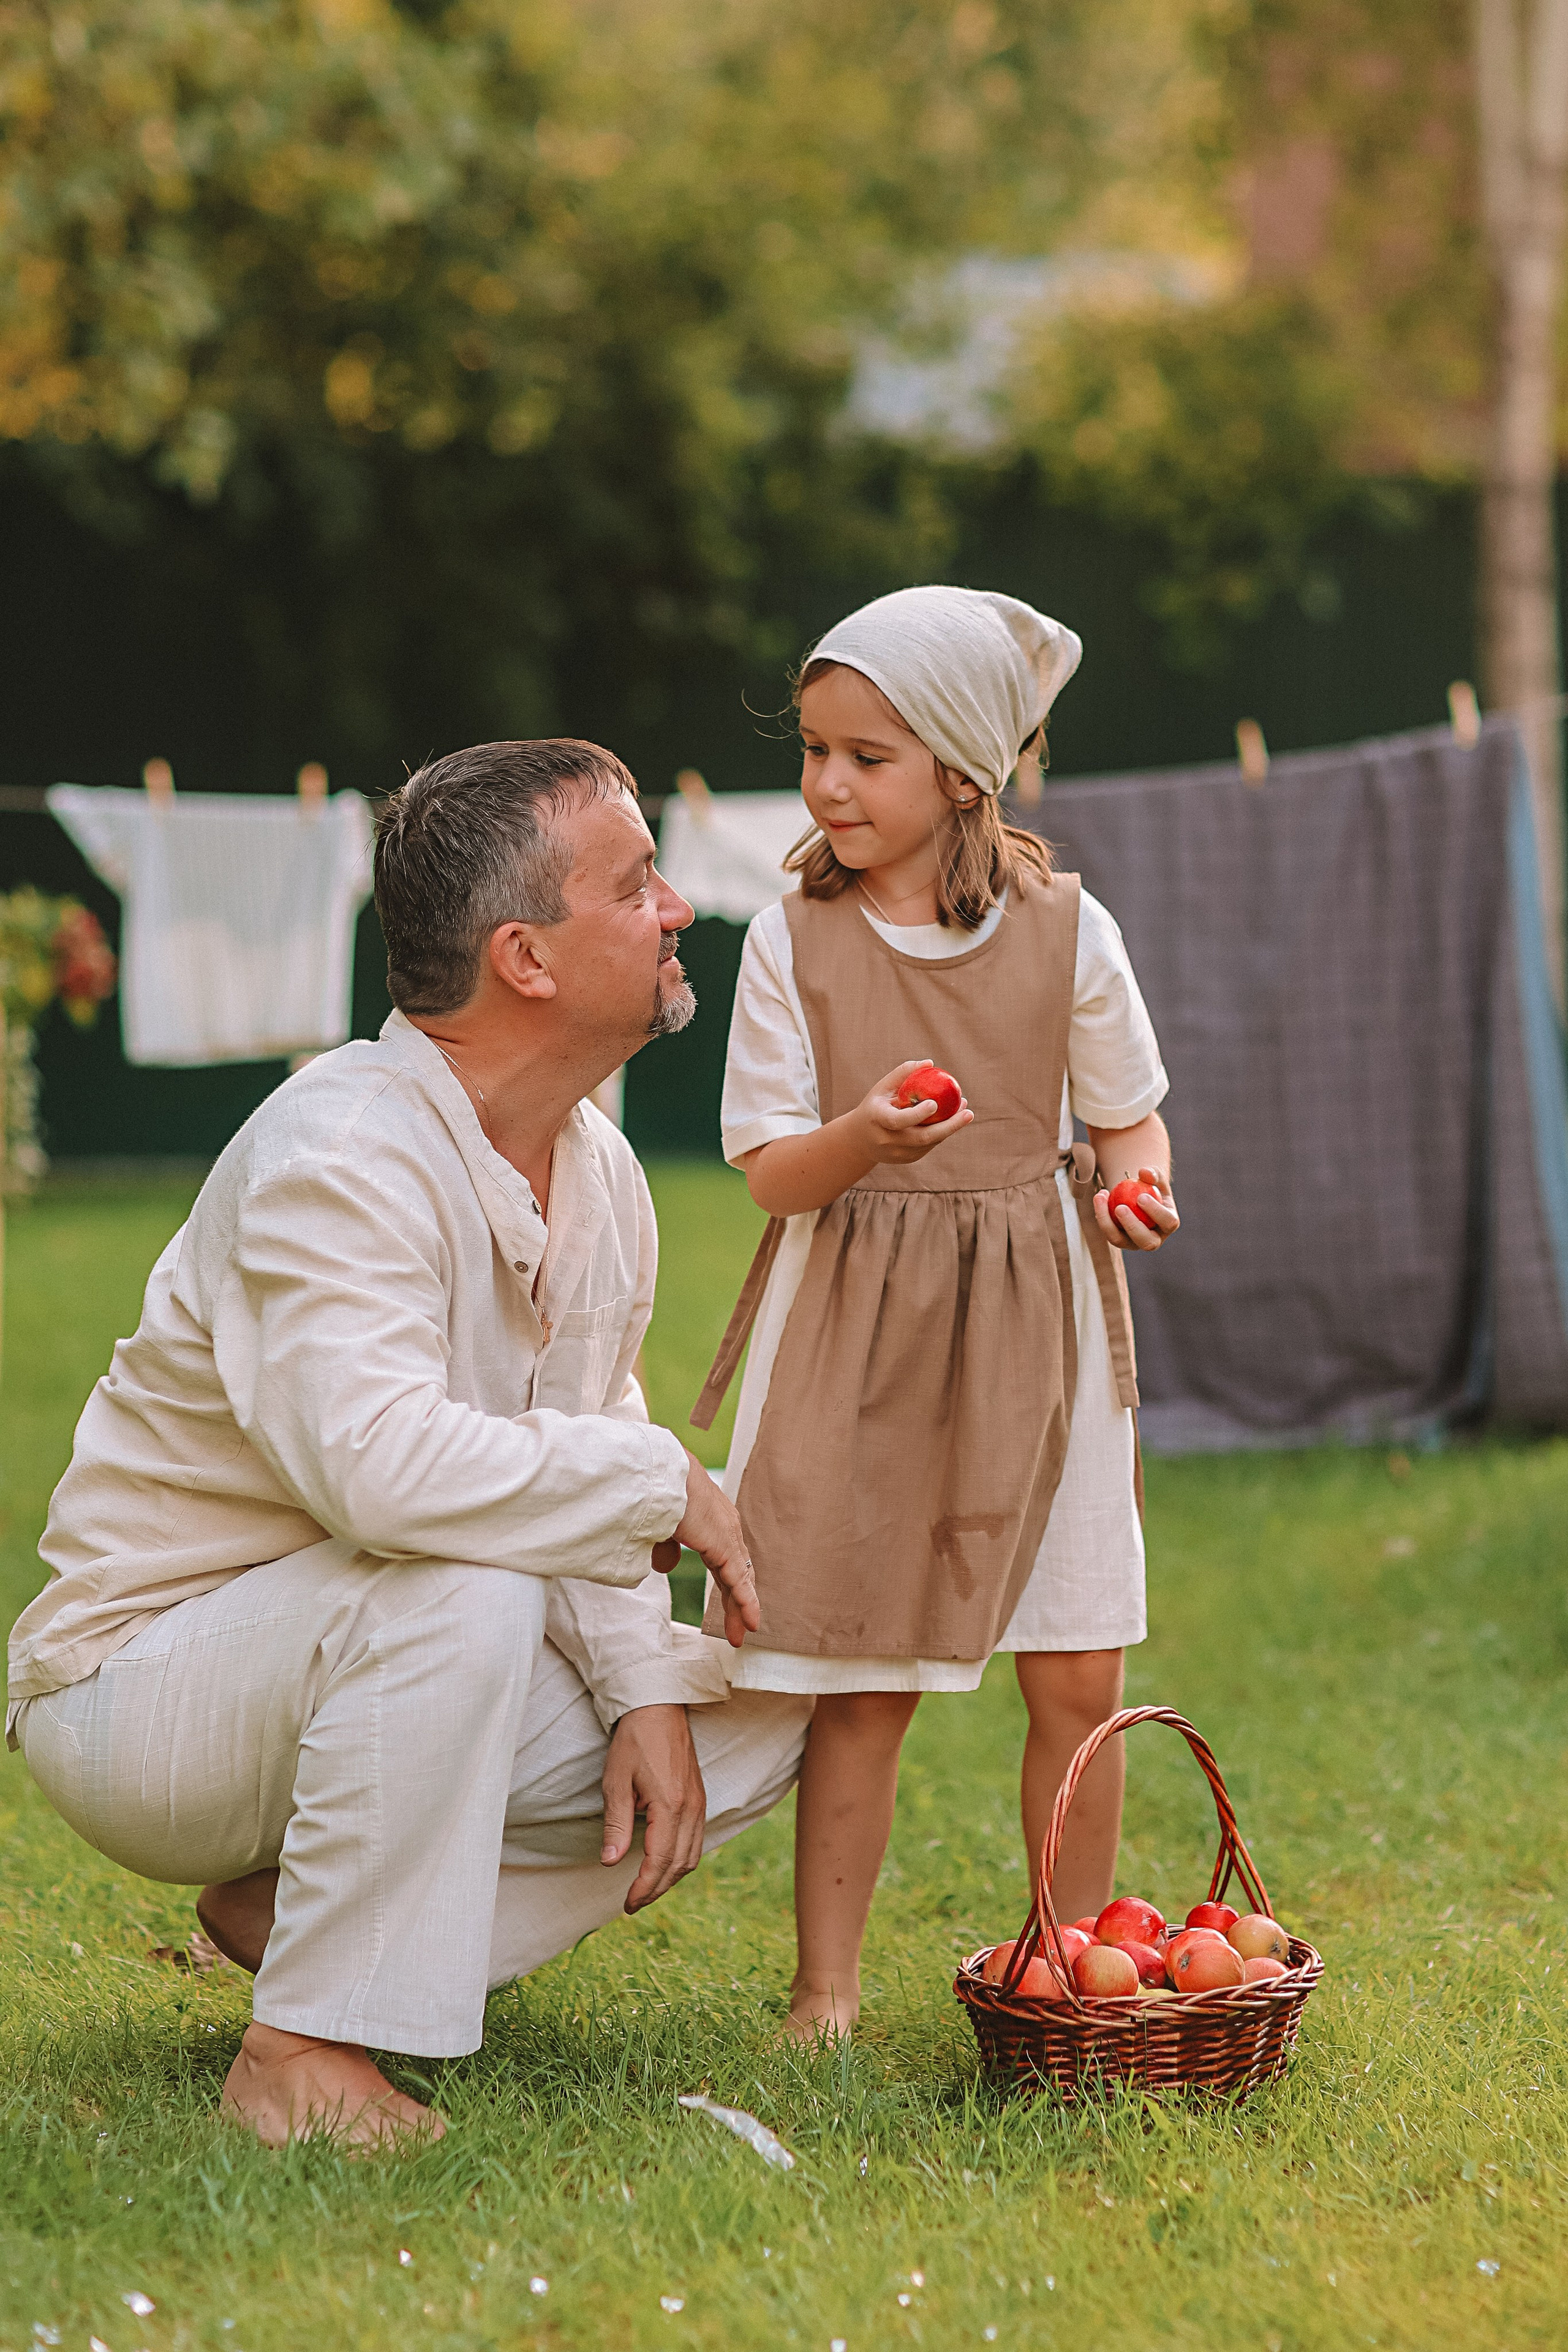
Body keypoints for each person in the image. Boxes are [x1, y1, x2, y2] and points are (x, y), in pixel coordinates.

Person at [7, 738, 811, 2148]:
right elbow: (383, 1478)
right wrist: (655, 1484)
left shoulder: (598, 1163)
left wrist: (639, 1688)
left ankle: (297, 1921)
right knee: (466, 1570)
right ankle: (300, 2057)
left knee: (781, 1689)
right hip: (142, 1689)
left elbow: (579, 1421)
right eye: (635, 886)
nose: (678, 906)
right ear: (528, 959)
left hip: (376, 1637)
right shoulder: (335, 1152)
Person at [692, 587, 1179, 2041]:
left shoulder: (1067, 933)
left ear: (963, 771)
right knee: (862, 1675)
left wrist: (1135, 1195)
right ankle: (822, 1991)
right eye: (816, 752)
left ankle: (1068, 1967)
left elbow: (1133, 1123)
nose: (826, 784)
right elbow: (775, 1174)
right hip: (861, 1327)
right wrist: (863, 1139)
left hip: (1041, 1325)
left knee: (1076, 1673)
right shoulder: (790, 941)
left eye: (866, 756)